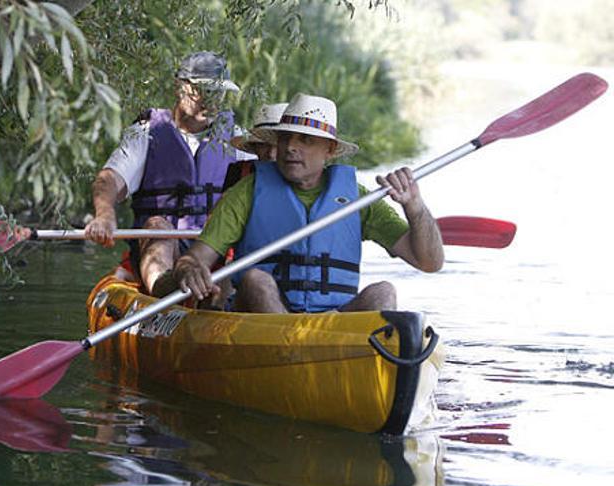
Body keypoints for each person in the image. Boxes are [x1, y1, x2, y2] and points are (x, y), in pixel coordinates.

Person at [171, 93, 445, 313]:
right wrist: (189, 270)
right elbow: (194, 259)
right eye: (286, 138)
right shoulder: (247, 192)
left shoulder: (357, 199)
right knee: (257, 281)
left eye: (305, 140)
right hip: (261, 325)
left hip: (332, 322)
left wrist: (415, 207)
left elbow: (429, 262)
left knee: (383, 292)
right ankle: (290, 359)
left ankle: (361, 366)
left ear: (330, 150)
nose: (290, 147)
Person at [84, 51, 254, 295]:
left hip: (211, 248)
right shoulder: (146, 133)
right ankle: (164, 287)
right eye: (202, 91)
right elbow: (110, 178)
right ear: (179, 88)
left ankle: (217, 306)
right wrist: (105, 214)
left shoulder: (237, 140)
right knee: (156, 224)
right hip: (161, 245)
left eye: (217, 92)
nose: (211, 100)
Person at [223, 102, 288, 190]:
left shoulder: (303, 177)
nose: (271, 154)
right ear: (254, 146)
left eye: (278, 146)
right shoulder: (238, 171)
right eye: (263, 145)